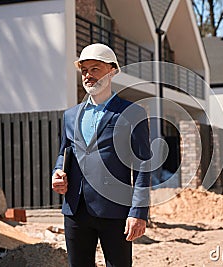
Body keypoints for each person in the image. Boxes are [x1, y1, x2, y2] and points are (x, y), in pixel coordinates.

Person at [51, 43, 151, 267]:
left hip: (116, 210)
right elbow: (63, 153)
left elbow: (144, 165)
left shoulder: (132, 113)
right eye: (84, 71)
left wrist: (139, 211)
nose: (88, 76)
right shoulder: (70, 115)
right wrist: (57, 172)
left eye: (95, 69)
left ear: (112, 70)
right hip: (75, 209)